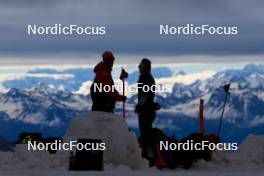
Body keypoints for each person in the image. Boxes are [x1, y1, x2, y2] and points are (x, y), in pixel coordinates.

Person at [135, 58, 160, 165]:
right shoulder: (150, 78)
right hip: (150, 110)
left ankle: (149, 157)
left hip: (145, 110)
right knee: (147, 133)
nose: (139, 67)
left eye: (140, 65)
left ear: (143, 67)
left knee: (145, 133)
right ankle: (150, 155)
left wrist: (139, 106)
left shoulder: (144, 78)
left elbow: (144, 95)